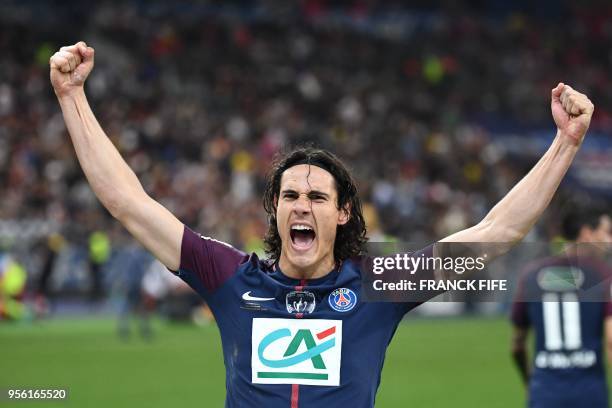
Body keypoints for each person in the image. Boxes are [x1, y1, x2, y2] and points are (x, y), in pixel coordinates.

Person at [50, 41, 594, 406]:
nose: (301, 205)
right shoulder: (231, 277)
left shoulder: (382, 283)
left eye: (316, 196)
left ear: (343, 212)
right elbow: (128, 202)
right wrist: (71, 97)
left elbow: (497, 232)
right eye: (288, 195)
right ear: (275, 210)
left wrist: (565, 144)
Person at [511, 206, 612, 408]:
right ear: (586, 234)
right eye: (607, 232)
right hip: (589, 393)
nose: (610, 241)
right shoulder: (603, 276)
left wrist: (529, 380)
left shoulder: (531, 275)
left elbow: (517, 345)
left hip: (544, 393)